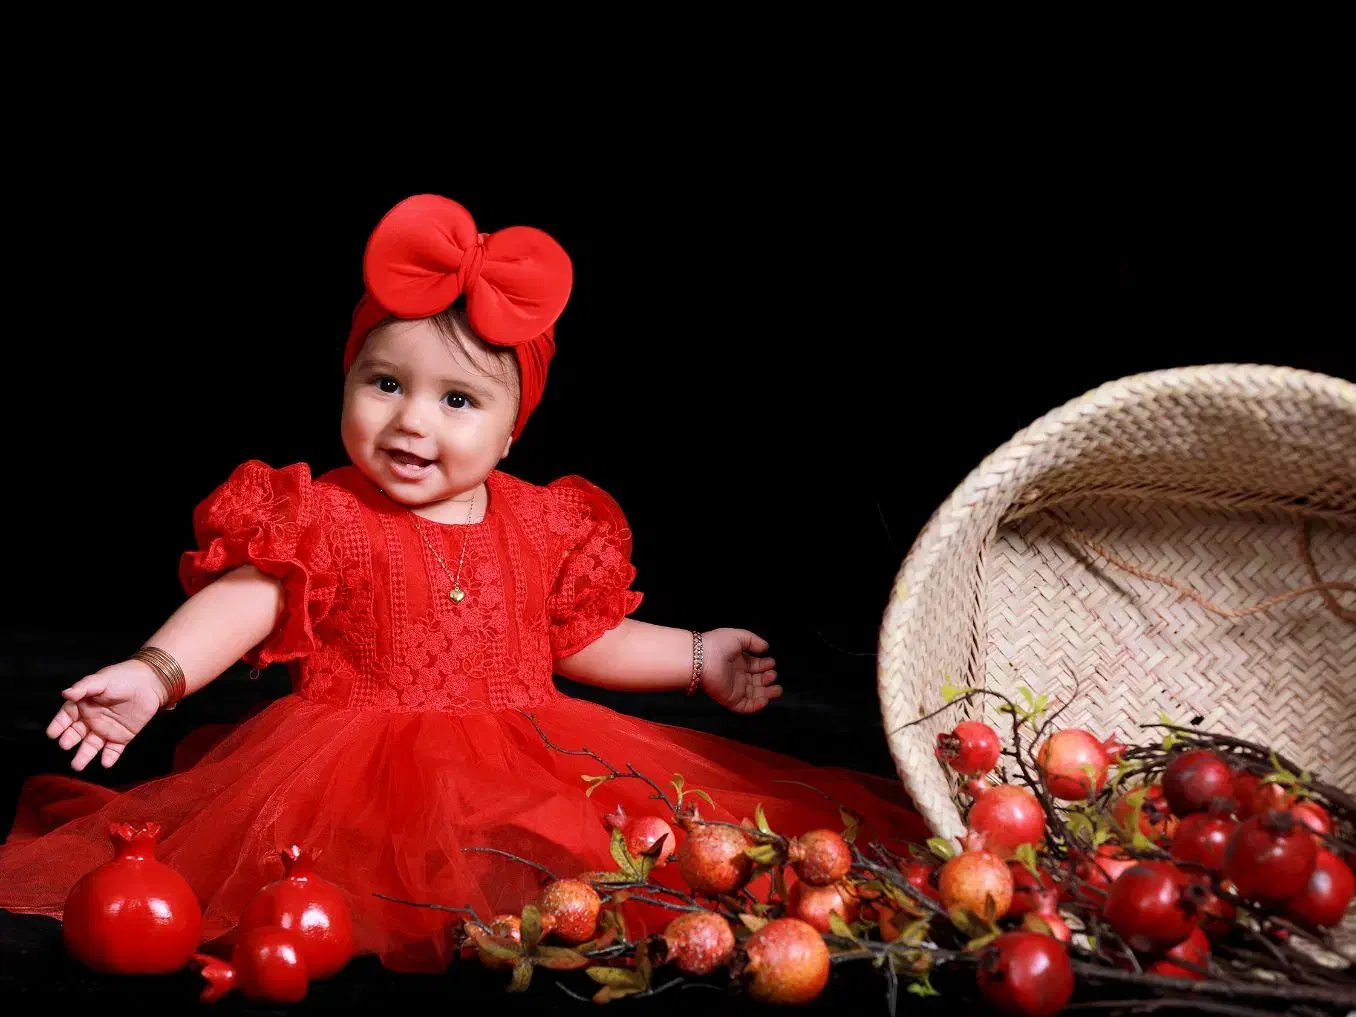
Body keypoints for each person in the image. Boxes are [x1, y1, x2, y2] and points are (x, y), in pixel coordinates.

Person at [0, 194, 925, 972]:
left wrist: (697, 657)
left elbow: (583, 639)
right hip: (350, 770)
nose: (411, 422)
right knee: (366, 880)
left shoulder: (542, 521)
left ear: (512, 430)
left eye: (457, 400)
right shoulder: (324, 515)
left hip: (530, 747)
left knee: (607, 852)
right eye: (384, 383)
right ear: (347, 381)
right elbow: (249, 599)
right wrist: (156, 671)